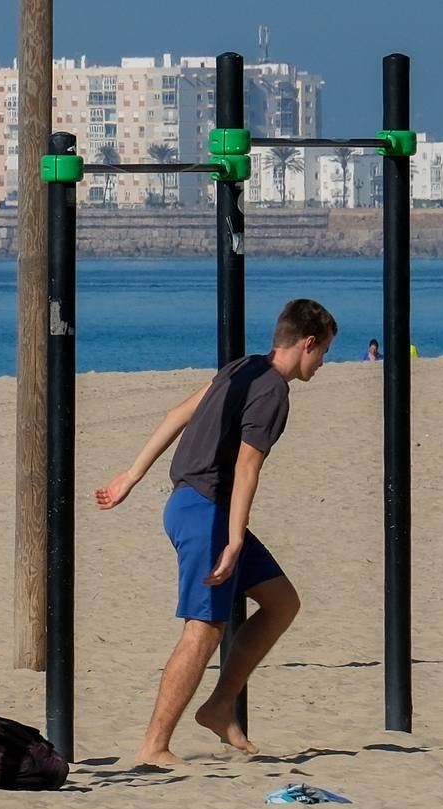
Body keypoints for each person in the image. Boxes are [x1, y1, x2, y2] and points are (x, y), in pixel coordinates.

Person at [94, 298, 338, 767]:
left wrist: (132, 475)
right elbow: (248, 466)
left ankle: (220, 705)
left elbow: (178, 412)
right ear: (307, 343)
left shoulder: (243, 367)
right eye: (324, 351)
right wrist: (235, 538)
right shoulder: (272, 393)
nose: (324, 362)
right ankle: (154, 745)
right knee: (203, 629)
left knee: (282, 601)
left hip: (199, 505)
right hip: (205, 511)